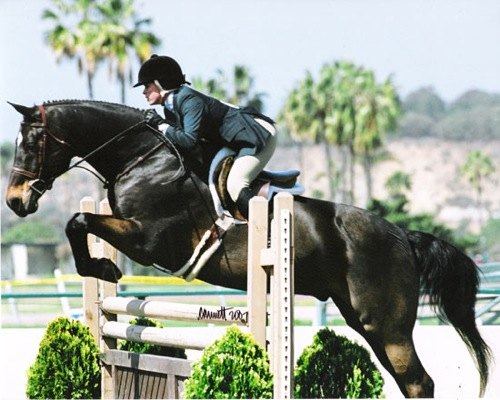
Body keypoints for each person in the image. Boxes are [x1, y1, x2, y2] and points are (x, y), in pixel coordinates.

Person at [134, 54, 277, 219]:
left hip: (257, 136)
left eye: (147, 85)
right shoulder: (170, 106)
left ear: (161, 83)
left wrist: (163, 125)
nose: (144, 91)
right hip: (234, 141)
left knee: (236, 184)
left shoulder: (188, 100)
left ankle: (266, 229)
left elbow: (188, 141)